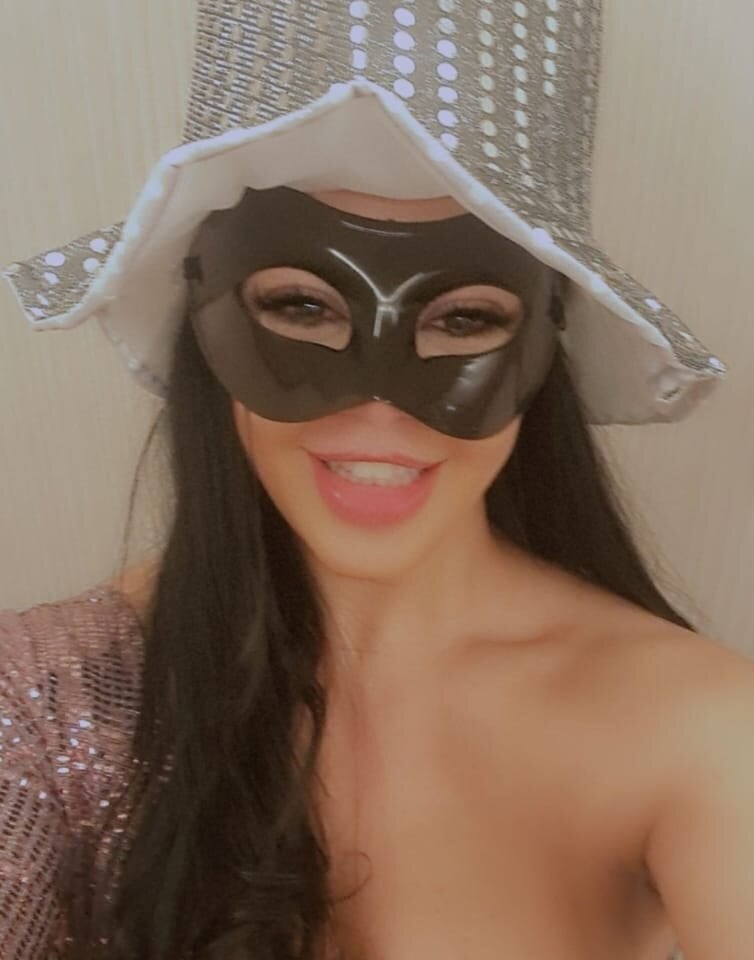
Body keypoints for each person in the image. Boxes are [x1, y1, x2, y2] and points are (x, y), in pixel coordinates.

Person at [1, 2, 750, 959]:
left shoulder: (697, 733)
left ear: (544, 340)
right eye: (302, 306)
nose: (378, 409)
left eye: (465, 319)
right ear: (205, 309)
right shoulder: (49, 700)